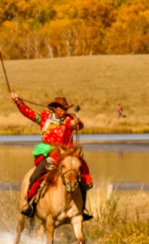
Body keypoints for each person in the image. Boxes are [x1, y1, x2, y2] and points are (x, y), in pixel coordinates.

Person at [11, 92, 93, 220]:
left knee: (81, 178)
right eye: (62, 109)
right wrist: (18, 101)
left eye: (66, 109)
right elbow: (29, 113)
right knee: (35, 176)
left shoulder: (69, 120)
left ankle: (82, 209)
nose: (65, 112)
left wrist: (77, 122)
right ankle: (30, 205)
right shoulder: (44, 118)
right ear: (55, 109)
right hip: (50, 154)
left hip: (66, 155)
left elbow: (78, 125)